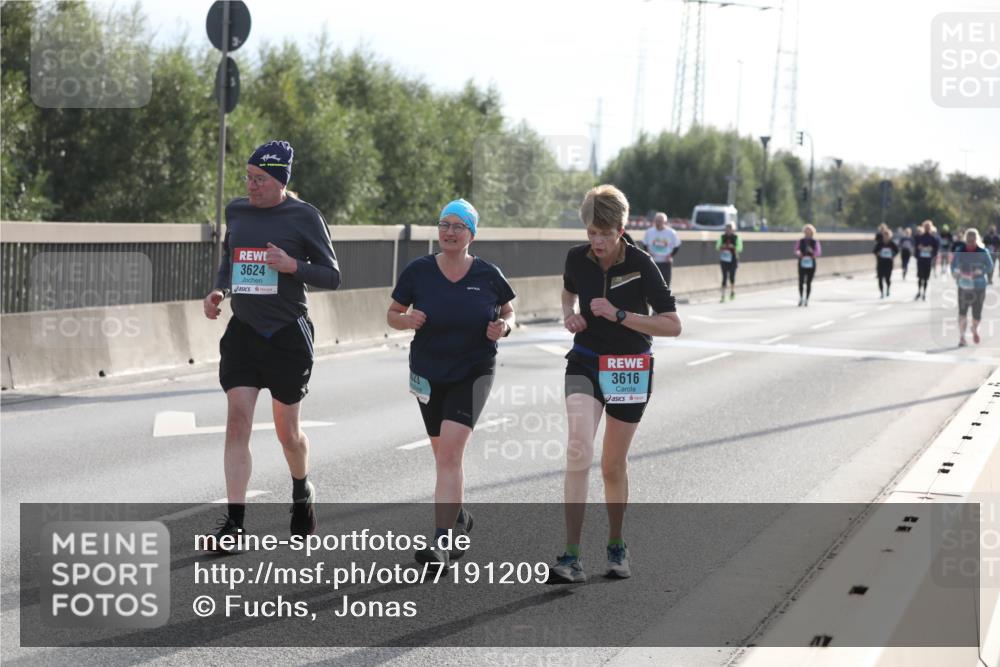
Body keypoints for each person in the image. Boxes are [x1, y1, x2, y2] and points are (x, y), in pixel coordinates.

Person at [203, 140, 341, 549]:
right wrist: (218, 291)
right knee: (237, 423)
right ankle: (235, 525)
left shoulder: (304, 217)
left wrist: (292, 265)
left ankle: (301, 491)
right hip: (244, 332)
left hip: (286, 334)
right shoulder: (237, 211)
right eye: (248, 177)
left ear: (281, 181)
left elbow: (332, 276)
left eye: (260, 179)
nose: (251, 186)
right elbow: (231, 259)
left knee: (288, 434)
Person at [550, 185, 681, 583]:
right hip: (586, 361)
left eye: (605, 234)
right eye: (592, 232)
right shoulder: (577, 257)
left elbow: (672, 324)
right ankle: (571, 555)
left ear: (621, 229)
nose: (597, 241)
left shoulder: (643, 264)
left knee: (611, 464)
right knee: (578, 451)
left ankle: (616, 544)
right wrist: (568, 314)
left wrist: (620, 315)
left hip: (629, 365)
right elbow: (568, 291)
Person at [387, 199, 516, 567]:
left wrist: (505, 326)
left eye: (459, 226)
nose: (449, 232)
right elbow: (392, 313)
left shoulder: (488, 274)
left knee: (449, 455)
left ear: (472, 234)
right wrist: (406, 320)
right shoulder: (419, 271)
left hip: (474, 370)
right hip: (428, 372)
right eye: (444, 224)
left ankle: (441, 542)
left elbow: (509, 311)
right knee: (441, 453)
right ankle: (458, 515)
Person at [951, 228, 994, 346]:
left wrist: (981, 271)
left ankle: (975, 328)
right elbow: (954, 265)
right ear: (966, 239)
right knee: (962, 312)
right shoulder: (960, 251)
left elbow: (990, 266)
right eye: (968, 239)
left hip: (979, 286)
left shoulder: (983, 252)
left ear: (976, 239)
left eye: (973, 238)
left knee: (977, 314)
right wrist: (956, 272)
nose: (970, 241)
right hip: (964, 285)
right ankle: (962, 337)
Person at [641, 212, 682, 287]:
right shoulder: (649, 232)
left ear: (665, 222)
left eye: (660, 221)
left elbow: (677, 245)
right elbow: (645, 244)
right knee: (651, 283)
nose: (657, 223)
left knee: (665, 284)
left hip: (665, 262)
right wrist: (648, 253)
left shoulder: (671, 233)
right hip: (652, 261)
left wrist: (671, 255)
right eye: (656, 221)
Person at [794, 224, 822, 306]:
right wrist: (799, 254)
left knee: (809, 282)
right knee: (801, 281)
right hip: (802, 262)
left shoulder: (815, 241)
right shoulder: (801, 241)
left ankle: (806, 299)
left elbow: (818, 252)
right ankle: (801, 297)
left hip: (811, 263)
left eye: (809, 231)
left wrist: (813, 254)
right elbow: (796, 249)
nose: (807, 232)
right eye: (806, 231)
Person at [715, 222, 743, 302]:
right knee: (724, 277)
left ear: (733, 230)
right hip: (724, 259)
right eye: (727, 229)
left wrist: (733, 247)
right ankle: (723, 296)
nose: (728, 231)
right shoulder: (722, 237)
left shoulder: (736, 237)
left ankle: (732, 291)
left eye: (730, 229)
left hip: (733, 259)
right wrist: (722, 246)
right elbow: (717, 246)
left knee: (731, 276)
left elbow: (740, 248)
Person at [913, 220, 940, 301]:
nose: (927, 228)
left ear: (930, 227)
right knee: (920, 277)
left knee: (926, 278)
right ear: (923, 227)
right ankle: (919, 291)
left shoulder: (933, 238)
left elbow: (936, 249)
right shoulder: (919, 237)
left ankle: (924, 292)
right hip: (921, 259)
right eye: (926, 227)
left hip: (928, 260)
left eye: (928, 227)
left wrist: (931, 251)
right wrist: (919, 249)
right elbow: (916, 247)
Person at [873, 228, 899, 298]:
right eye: (885, 235)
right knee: (880, 278)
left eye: (887, 235)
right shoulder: (880, 243)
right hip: (881, 262)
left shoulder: (892, 243)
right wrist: (878, 253)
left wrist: (892, 255)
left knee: (887, 278)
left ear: (890, 236)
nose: (886, 236)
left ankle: (888, 288)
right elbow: (874, 251)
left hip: (888, 263)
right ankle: (881, 292)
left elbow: (897, 251)